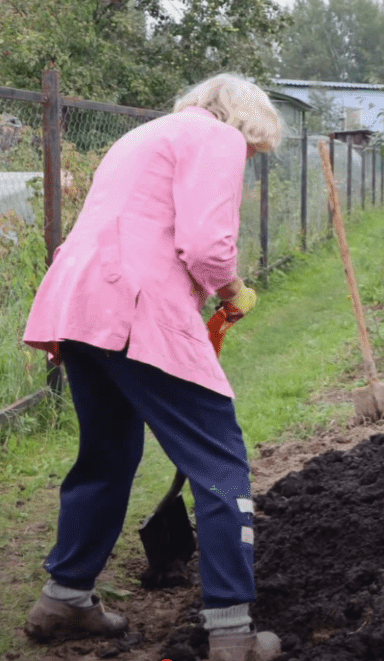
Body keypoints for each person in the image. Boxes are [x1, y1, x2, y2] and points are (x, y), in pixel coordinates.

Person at [21, 73, 283, 661]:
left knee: (107, 456)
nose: (249, 156)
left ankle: (64, 598)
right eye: (255, 147)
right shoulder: (216, 139)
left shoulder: (146, 137)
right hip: (135, 307)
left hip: (81, 308)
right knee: (221, 464)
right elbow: (206, 244)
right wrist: (233, 289)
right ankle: (232, 631)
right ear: (245, 124)